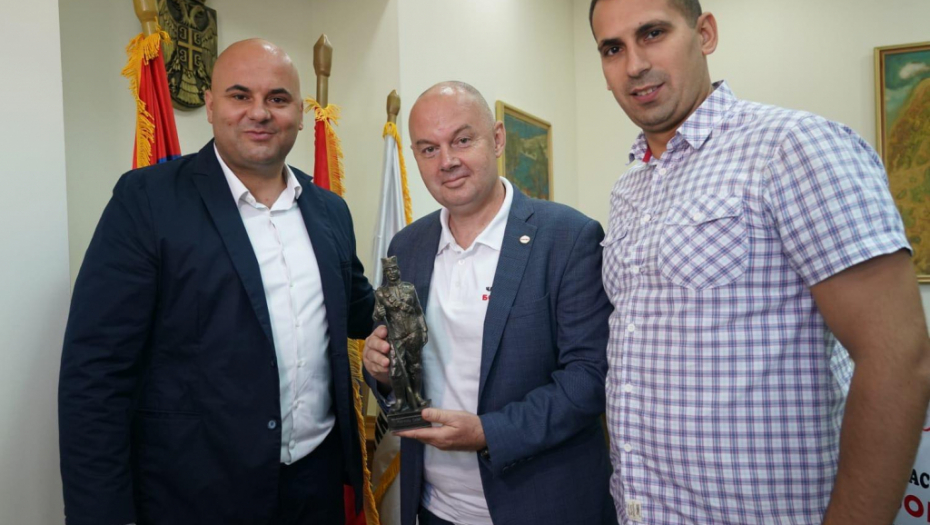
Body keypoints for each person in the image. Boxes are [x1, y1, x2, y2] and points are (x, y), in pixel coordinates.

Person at [588, 1, 930, 524]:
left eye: (652, 33)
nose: (634, 65)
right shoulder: (629, 186)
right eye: (613, 49)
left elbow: (899, 358)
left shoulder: (793, 146)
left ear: (705, 33)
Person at [58, 39, 374, 525]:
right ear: (210, 106)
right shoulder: (147, 201)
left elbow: (361, 311)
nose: (259, 112)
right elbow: (95, 373)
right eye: (240, 95)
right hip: (193, 495)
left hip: (316, 489)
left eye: (277, 98)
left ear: (300, 113)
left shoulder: (330, 211)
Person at [362, 81, 617, 525]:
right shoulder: (407, 245)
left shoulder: (568, 237)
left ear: (497, 139)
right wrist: (380, 369)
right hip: (435, 507)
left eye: (462, 140)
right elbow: (399, 362)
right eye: (428, 149)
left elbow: (589, 377)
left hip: (543, 505)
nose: (447, 161)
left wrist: (488, 433)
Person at [373, 256, 428, 411]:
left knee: (415, 366)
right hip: (396, 335)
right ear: (385, 273)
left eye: (394, 269)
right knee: (395, 370)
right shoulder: (381, 293)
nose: (392, 273)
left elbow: (418, 311)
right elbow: (376, 316)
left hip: (413, 331)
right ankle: (399, 400)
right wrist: (379, 313)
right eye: (388, 270)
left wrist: (424, 329)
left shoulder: (409, 288)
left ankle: (416, 396)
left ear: (398, 270)